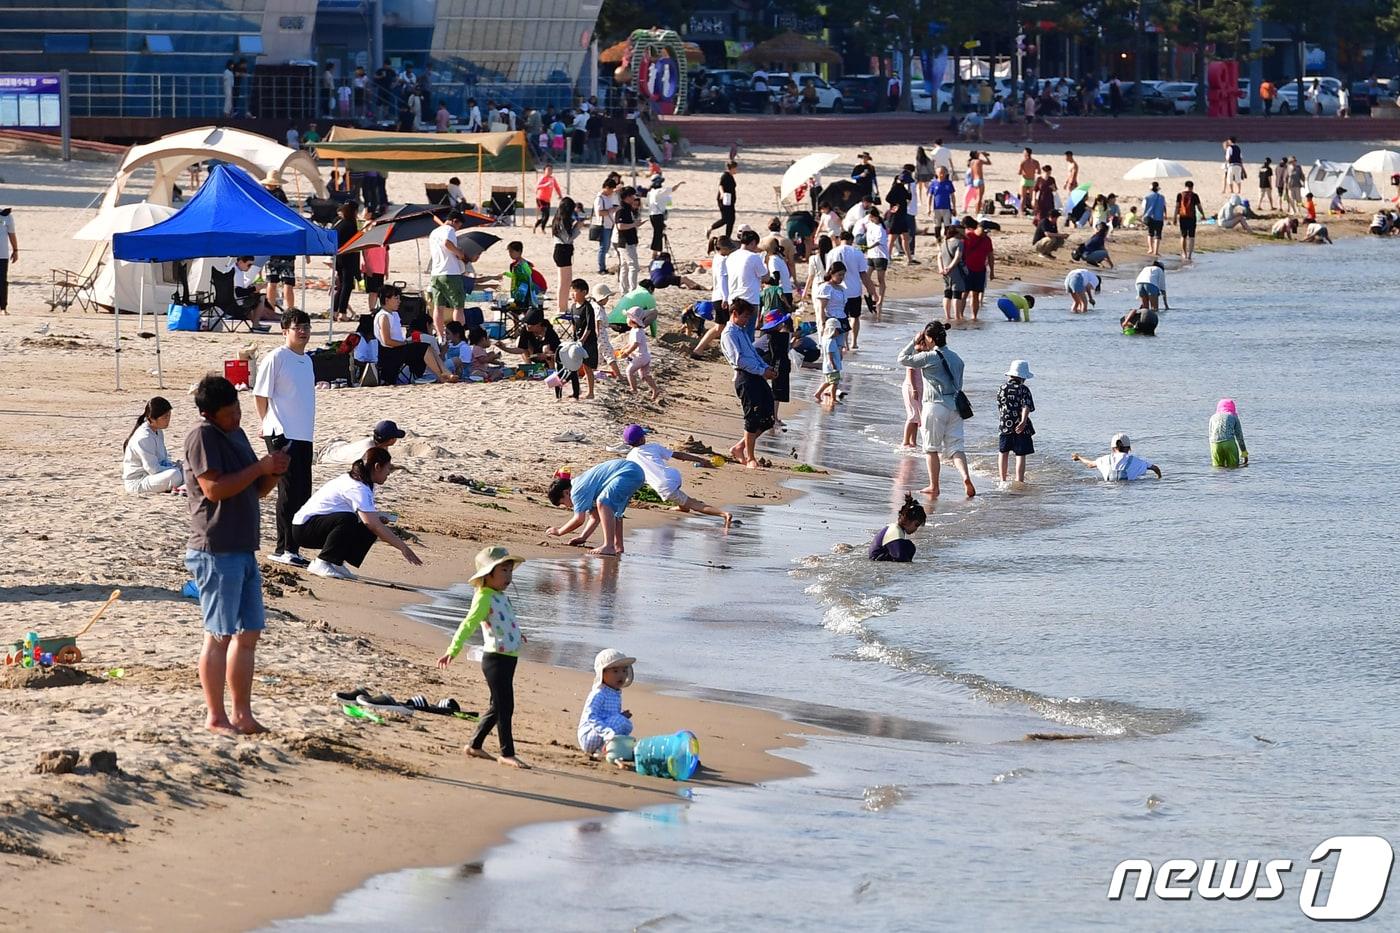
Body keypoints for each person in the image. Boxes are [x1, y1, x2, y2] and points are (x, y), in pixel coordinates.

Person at [184, 375, 289, 735]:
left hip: (243, 547)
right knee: (218, 635)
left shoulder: (235, 433)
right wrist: (259, 468)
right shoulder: (202, 436)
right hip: (215, 548)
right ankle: (216, 716)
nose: (237, 418)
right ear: (209, 413)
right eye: (229, 413)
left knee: (249, 634)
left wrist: (272, 472)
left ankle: (242, 714)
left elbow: (254, 489)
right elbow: (214, 489)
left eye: (238, 410)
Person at [437, 546, 530, 769]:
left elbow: (504, 621)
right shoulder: (483, 597)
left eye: (510, 571)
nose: (508, 576)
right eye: (503, 571)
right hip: (495, 659)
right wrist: (453, 650)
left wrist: (518, 634)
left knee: (497, 705)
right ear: (488, 574)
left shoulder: (500, 596)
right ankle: (507, 753)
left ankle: (475, 745)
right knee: (504, 705)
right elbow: (468, 624)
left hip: (509, 657)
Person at [292, 448, 421, 580]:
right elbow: (372, 525)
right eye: (388, 468)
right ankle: (321, 562)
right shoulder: (357, 486)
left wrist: (377, 520)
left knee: (370, 522)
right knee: (353, 520)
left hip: (319, 525)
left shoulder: (362, 482)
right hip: (303, 529)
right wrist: (403, 548)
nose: (389, 473)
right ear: (377, 467)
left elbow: (370, 522)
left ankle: (336, 562)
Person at [254, 309, 316, 567]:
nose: (303, 331)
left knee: (303, 492)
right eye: (297, 327)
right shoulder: (276, 357)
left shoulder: (308, 360)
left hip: (304, 435)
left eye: (306, 326)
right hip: (282, 433)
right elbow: (260, 394)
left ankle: (294, 547)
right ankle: (284, 548)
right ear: (285, 331)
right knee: (288, 492)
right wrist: (265, 422)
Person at [897, 321, 977, 498]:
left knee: (931, 448)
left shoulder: (930, 357)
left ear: (931, 339)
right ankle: (965, 477)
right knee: (956, 447)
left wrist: (913, 341)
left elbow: (902, 359)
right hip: (955, 408)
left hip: (934, 406)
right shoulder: (957, 359)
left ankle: (934, 486)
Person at [622, 425, 732, 526]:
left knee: (693, 504)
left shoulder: (630, 457)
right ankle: (682, 507)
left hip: (664, 486)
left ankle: (723, 514)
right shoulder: (653, 447)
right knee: (679, 496)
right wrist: (701, 460)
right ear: (642, 439)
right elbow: (678, 455)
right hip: (674, 475)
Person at [546, 459, 647, 556]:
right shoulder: (585, 491)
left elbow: (579, 519)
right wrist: (583, 537)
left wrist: (559, 531)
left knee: (603, 502)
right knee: (615, 512)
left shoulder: (576, 491)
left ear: (566, 492)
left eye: (563, 503)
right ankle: (618, 546)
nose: (568, 506)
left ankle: (608, 546)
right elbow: (595, 517)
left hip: (627, 473)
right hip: (635, 472)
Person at [719, 300, 776, 468]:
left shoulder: (741, 331)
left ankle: (739, 447)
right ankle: (750, 457)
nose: (747, 320)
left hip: (757, 374)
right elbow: (739, 360)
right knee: (752, 417)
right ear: (734, 313)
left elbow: (752, 353)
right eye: (744, 316)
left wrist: (766, 368)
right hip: (745, 377)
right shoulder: (729, 333)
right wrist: (761, 371)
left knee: (768, 417)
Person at [375, 285, 458, 385]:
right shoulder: (384, 316)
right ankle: (440, 376)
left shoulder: (394, 314)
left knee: (427, 346)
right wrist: (405, 342)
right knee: (423, 348)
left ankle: (445, 371)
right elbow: (387, 341)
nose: (399, 301)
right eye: (396, 298)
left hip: (399, 348)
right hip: (390, 352)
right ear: (387, 300)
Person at [578, 648, 637, 758]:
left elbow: (608, 716)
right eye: (615, 671)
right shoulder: (599, 693)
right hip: (589, 736)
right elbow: (591, 716)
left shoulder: (615, 694)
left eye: (624, 671)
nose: (621, 675)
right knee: (621, 722)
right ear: (602, 673)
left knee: (626, 725)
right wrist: (606, 732)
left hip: (602, 735)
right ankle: (603, 749)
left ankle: (613, 748)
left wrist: (620, 716)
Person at [123, 396, 183, 495]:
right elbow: (152, 469)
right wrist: (174, 469)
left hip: (154, 475)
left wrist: (176, 465)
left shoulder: (158, 431)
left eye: (169, 415)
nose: (168, 420)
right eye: (164, 417)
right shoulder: (144, 437)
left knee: (187, 468)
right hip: (139, 480)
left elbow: (162, 459)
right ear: (151, 419)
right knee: (175, 474)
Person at [828, 230, 874, 348]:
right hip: (854, 291)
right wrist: (872, 291)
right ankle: (854, 342)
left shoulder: (832, 252)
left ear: (840, 239)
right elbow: (864, 275)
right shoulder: (857, 253)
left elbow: (829, 272)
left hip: (838, 290)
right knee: (855, 317)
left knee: (842, 317)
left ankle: (845, 343)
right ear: (851, 240)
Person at [428, 212, 469, 339]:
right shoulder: (449, 229)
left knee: (438, 307)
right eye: (459, 226)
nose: (458, 229)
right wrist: (460, 254)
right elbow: (447, 243)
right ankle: (459, 336)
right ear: (454, 221)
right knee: (458, 307)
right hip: (450, 272)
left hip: (436, 273)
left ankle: (440, 336)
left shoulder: (434, 232)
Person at [997, 360, 1035, 483]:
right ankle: (1019, 480)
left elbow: (1000, 406)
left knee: (1003, 452)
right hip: (1020, 427)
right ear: (1023, 377)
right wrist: (1023, 421)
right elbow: (1026, 406)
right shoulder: (1023, 389)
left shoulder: (1002, 388)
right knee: (1020, 454)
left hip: (1004, 425)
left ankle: (1002, 480)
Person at [1072, 434, 1161, 480]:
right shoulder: (1136, 461)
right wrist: (1159, 477)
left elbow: (1090, 464)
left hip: (1108, 490)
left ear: (1112, 448)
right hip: (1128, 490)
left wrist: (1079, 457)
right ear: (1129, 448)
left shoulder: (1104, 459)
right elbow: (1155, 468)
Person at [318, 419, 406, 466]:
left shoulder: (377, 443)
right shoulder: (368, 452)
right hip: (327, 454)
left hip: (336, 448)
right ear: (391, 440)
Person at [869, 494, 927, 563]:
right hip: (877, 560)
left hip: (878, 557)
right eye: (916, 525)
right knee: (909, 546)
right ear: (907, 520)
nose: (916, 529)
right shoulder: (895, 531)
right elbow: (899, 557)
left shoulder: (896, 528)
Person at [619, 307, 660, 401]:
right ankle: (655, 389)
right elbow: (630, 343)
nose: (626, 319)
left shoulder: (637, 331)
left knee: (629, 371)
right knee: (644, 375)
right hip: (645, 356)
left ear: (633, 320)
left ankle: (633, 389)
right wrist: (624, 348)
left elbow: (635, 344)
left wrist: (627, 352)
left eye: (628, 317)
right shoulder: (635, 330)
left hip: (640, 357)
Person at [551, 197, 583, 313]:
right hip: (563, 250)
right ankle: (562, 308)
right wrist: (577, 227)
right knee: (565, 282)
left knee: (565, 282)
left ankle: (562, 306)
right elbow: (567, 239)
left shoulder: (558, 218)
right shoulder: (563, 220)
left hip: (562, 251)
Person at [230, 257, 279, 329]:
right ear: (240, 262)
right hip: (235, 304)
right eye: (249, 265)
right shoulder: (238, 273)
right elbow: (239, 293)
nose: (250, 268)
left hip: (225, 302)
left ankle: (256, 324)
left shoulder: (230, 268)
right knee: (261, 297)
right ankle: (255, 325)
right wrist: (255, 288)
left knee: (252, 298)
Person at [960, 217, 994, 320]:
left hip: (980, 270)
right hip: (967, 270)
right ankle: (960, 315)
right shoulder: (967, 237)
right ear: (978, 227)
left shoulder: (987, 240)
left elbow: (990, 256)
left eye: (987, 232)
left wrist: (992, 271)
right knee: (964, 293)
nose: (985, 233)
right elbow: (960, 253)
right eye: (983, 231)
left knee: (976, 294)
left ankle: (974, 316)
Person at [614, 185, 642, 292]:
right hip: (625, 242)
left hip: (628, 241)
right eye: (632, 196)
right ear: (627, 197)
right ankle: (632, 290)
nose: (634, 198)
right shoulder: (622, 210)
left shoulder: (628, 209)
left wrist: (634, 224)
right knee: (633, 266)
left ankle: (624, 290)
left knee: (625, 267)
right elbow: (620, 226)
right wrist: (634, 224)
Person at [646, 175, 681, 259]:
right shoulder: (660, 191)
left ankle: (657, 252)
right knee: (658, 234)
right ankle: (655, 253)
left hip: (652, 215)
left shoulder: (650, 192)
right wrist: (679, 184)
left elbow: (647, 203)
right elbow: (672, 189)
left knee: (657, 233)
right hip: (658, 215)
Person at [938, 223, 967, 323]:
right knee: (957, 294)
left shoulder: (944, 243)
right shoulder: (959, 243)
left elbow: (939, 256)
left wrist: (941, 268)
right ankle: (957, 316)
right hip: (955, 271)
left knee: (947, 293)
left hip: (944, 271)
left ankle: (947, 316)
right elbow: (958, 257)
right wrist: (950, 267)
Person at [813, 316, 843, 408]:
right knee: (835, 382)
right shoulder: (831, 341)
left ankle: (818, 393)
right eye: (838, 331)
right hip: (832, 366)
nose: (839, 333)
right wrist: (833, 364)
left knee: (828, 381)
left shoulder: (824, 339)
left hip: (827, 366)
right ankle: (833, 398)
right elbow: (830, 354)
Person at [1208, 399, 1249, 468]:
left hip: (1215, 444)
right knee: (1233, 468)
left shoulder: (1212, 417)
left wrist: (1213, 449)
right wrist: (1244, 452)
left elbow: (1210, 434)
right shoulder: (1233, 417)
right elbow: (1239, 436)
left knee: (1218, 469)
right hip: (1229, 443)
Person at [863, 207, 889, 311]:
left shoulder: (880, 228)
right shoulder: (870, 225)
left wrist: (869, 247)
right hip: (871, 255)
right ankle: (873, 295)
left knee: (880, 279)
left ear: (875, 216)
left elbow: (878, 241)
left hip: (880, 256)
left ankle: (880, 300)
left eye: (870, 216)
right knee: (866, 276)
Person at [1176, 180, 1206, 262]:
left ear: (1185, 186)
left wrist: (1175, 217)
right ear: (1192, 187)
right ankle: (1189, 255)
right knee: (1191, 237)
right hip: (1192, 217)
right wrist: (1203, 214)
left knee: (1183, 236)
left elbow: (1177, 207)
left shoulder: (1180, 195)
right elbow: (1199, 206)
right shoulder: (1194, 195)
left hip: (1182, 217)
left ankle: (1184, 253)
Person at [708, 161, 739, 238]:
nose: (737, 170)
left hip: (730, 201)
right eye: (735, 168)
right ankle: (711, 228)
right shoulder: (725, 176)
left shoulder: (731, 176)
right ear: (732, 168)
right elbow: (720, 186)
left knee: (731, 219)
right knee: (725, 219)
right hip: (724, 200)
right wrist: (722, 193)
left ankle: (728, 237)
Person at [533, 164, 563, 232]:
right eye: (548, 170)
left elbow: (557, 187)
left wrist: (560, 195)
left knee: (546, 216)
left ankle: (536, 225)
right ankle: (542, 229)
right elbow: (537, 186)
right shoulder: (542, 178)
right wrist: (545, 184)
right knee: (545, 214)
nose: (550, 171)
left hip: (547, 200)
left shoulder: (552, 179)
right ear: (544, 171)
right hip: (540, 199)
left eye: (551, 170)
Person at [929, 167, 956, 240]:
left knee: (947, 226)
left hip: (947, 208)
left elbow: (952, 196)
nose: (942, 175)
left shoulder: (949, 183)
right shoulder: (933, 183)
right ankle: (938, 241)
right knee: (937, 226)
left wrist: (954, 208)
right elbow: (930, 196)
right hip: (936, 208)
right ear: (936, 173)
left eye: (943, 173)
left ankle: (946, 241)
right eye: (940, 173)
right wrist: (929, 208)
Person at [1141, 182, 1167, 257]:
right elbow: (1164, 206)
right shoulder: (1162, 197)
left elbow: (1144, 207)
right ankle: (1156, 251)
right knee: (1158, 234)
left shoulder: (1147, 197)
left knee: (1150, 233)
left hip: (1149, 217)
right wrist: (1165, 214)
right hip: (1159, 217)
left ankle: (1150, 248)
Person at [1017, 148, 1040, 215]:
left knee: (1023, 197)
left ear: (1026, 153)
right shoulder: (1036, 162)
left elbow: (1019, 172)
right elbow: (1039, 172)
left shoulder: (1023, 162)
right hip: (1032, 180)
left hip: (1025, 180)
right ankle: (1035, 211)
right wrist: (1032, 171)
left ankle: (1021, 212)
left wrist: (1025, 172)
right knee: (1032, 197)